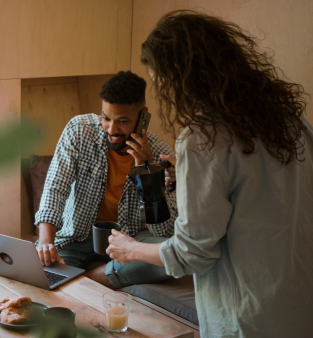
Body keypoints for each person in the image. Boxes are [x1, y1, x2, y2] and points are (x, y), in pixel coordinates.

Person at [107, 10, 313, 337]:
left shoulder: (203, 139)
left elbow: (192, 255)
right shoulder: (290, 119)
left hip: (246, 316)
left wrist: (129, 249)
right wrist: (193, 177)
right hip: (299, 306)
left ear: (181, 79)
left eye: (161, 81)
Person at [34, 70, 178, 288]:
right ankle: (95, 276)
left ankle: (92, 278)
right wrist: (45, 243)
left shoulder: (160, 155)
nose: (112, 129)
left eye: (122, 121)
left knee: (170, 258)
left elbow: (163, 232)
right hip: (76, 237)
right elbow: (55, 187)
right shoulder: (80, 131)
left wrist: (147, 172)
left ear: (143, 117)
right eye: (106, 118)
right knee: (43, 273)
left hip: (128, 242)